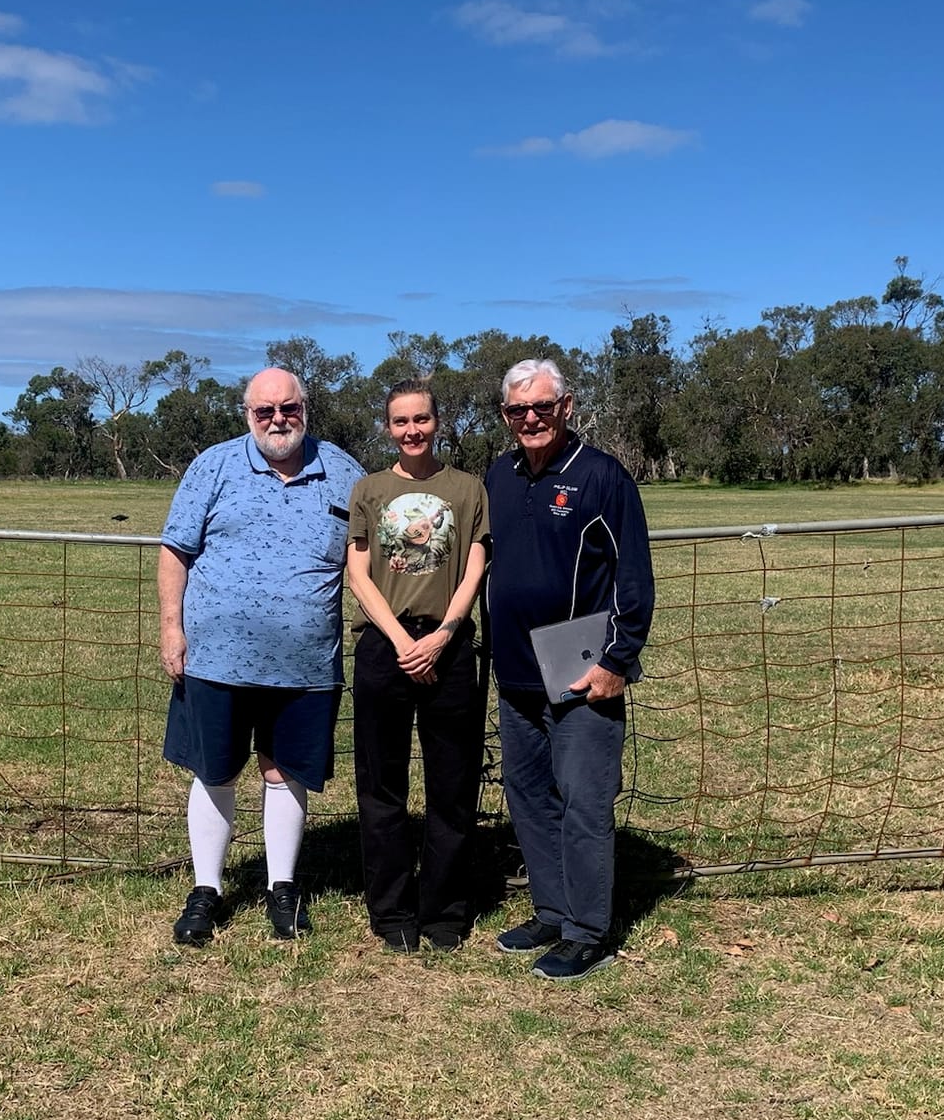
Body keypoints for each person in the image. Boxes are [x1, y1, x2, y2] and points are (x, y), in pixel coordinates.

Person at [158, 366, 364, 945]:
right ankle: (206, 890)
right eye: (264, 411)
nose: (278, 420)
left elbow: (371, 558)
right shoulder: (214, 466)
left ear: (307, 408)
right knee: (214, 771)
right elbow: (175, 551)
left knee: (286, 773)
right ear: (247, 414)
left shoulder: (344, 472)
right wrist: (172, 628)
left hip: (305, 665)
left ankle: (282, 888)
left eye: (289, 408)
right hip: (215, 660)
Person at [483, 358, 654, 982]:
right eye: (517, 410)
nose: (531, 418)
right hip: (517, 674)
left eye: (543, 407)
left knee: (584, 802)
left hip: (582, 675)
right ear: (505, 415)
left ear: (567, 407)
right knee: (528, 796)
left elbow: (634, 577)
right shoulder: (498, 476)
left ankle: (589, 931)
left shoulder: (604, 477)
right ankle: (552, 911)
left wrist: (618, 660)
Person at [344, 380, 489, 952]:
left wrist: (444, 635)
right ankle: (391, 909)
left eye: (421, 420)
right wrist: (404, 641)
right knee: (382, 787)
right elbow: (359, 573)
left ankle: (445, 911)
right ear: (388, 428)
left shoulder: (467, 489)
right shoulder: (369, 490)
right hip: (386, 646)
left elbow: (475, 565)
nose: (412, 431)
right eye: (401, 422)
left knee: (451, 785)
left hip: (448, 649)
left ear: (437, 422)